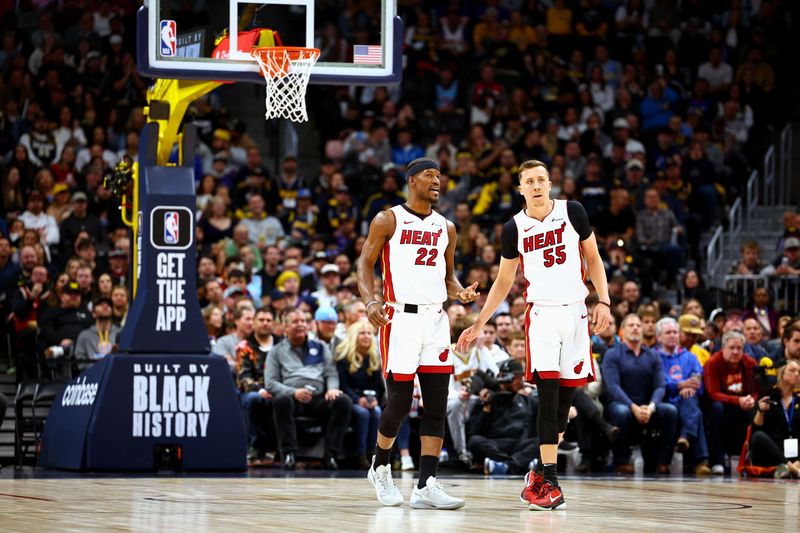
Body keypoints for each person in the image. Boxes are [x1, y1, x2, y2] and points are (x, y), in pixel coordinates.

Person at [457, 160, 612, 510]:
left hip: (576, 311)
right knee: (548, 395)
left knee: (563, 408)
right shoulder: (514, 228)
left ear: (550, 184)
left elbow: (595, 258)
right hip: (541, 315)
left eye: (542, 179)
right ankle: (551, 482)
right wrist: (480, 322)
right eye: (530, 181)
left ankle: (539, 475)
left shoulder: (573, 211)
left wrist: (603, 300)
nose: (537, 185)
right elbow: (504, 281)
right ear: (521, 189)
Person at [358, 157, 477, 510]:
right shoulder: (388, 219)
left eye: (440, 176)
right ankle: (380, 465)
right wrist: (369, 302)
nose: (437, 181)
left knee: (438, 404)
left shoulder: (448, 227)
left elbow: (448, 276)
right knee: (399, 400)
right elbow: (365, 263)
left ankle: (426, 483)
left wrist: (460, 293)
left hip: (436, 320)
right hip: (400, 318)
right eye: (429, 175)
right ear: (411, 180)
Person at [266, 309, 352, 470]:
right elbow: (270, 383)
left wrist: (332, 389)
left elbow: (331, 373)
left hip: (318, 397)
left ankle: (331, 455)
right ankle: (289, 454)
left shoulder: (320, 347)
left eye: (303, 321)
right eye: (295, 321)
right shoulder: (276, 351)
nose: (300, 325)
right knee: (281, 400)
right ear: (285, 327)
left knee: (343, 401)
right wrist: (293, 392)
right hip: (292, 397)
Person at [602, 314, 678, 474]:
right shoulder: (613, 354)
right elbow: (613, 387)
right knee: (622, 413)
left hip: (646, 406)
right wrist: (633, 407)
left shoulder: (652, 355)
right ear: (622, 330)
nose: (635, 327)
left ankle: (662, 462)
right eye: (631, 325)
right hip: (620, 403)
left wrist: (650, 407)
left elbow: (660, 387)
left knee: (670, 411)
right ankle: (621, 461)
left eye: (638, 325)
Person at [654, 317, 711, 475]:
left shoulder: (690, 357)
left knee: (691, 399)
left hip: (687, 400)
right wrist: (680, 386)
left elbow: (698, 379)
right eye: (668, 332)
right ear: (659, 336)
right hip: (664, 401)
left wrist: (690, 387)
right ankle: (700, 459)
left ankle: (684, 438)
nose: (673, 335)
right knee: (695, 412)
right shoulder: (654, 356)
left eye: (675, 332)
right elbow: (658, 384)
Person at [468, 359, 539, 475]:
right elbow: (475, 432)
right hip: (495, 444)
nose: (519, 381)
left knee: (544, 441)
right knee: (475, 441)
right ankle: (519, 464)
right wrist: (486, 409)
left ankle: (505, 466)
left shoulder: (528, 401)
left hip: (519, 444)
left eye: (520, 377)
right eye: (515, 377)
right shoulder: (486, 399)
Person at [704, 331, 758, 475]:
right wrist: (738, 400)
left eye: (739, 348)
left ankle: (752, 460)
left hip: (743, 405)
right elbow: (713, 393)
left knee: (757, 409)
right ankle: (717, 460)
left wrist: (751, 399)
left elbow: (758, 389)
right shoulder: (713, 362)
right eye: (731, 348)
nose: (735, 352)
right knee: (717, 409)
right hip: (722, 404)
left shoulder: (750, 363)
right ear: (723, 348)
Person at [335, 321, 385, 470]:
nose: (366, 336)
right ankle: (360, 454)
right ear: (354, 336)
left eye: (369, 333)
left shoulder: (374, 358)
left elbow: (378, 387)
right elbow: (343, 386)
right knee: (363, 414)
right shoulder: (344, 358)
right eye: (362, 333)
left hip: (368, 398)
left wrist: (374, 399)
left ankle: (373, 454)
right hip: (351, 399)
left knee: (376, 412)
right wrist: (358, 400)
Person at [237, 308, 281, 463]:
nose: (265, 323)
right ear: (254, 322)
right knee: (253, 399)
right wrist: (261, 390)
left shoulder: (282, 343)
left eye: (269, 320)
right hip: (254, 389)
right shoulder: (244, 346)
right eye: (261, 320)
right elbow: (244, 377)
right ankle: (254, 447)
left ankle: (281, 449)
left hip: (279, 388)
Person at [751, 361, 800, 478]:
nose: (797, 374)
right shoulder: (769, 396)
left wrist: (798, 461)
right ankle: (795, 470)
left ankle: (789, 469)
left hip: (796, 454)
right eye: (792, 370)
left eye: (799, 371)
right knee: (758, 436)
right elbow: (755, 429)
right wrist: (761, 411)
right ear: (782, 374)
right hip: (773, 453)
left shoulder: (798, 400)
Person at [73, 297, 121, 373]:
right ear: (94, 313)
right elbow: (80, 361)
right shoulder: (84, 335)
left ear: (112, 312)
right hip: (91, 376)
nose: (105, 306)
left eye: (108, 305)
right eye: (101, 305)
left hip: (115, 373)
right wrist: (98, 368)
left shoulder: (120, 333)